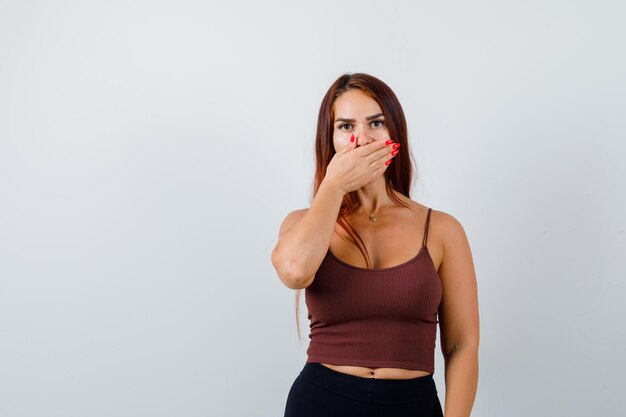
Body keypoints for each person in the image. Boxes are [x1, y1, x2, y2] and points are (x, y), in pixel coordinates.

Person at [271, 73, 479, 417]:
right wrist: (334, 187)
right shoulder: (300, 224)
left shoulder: (442, 230)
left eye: (376, 122)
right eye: (345, 126)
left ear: (394, 132)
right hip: (321, 402)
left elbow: (462, 345)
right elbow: (294, 272)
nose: (361, 139)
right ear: (331, 139)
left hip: (413, 405)